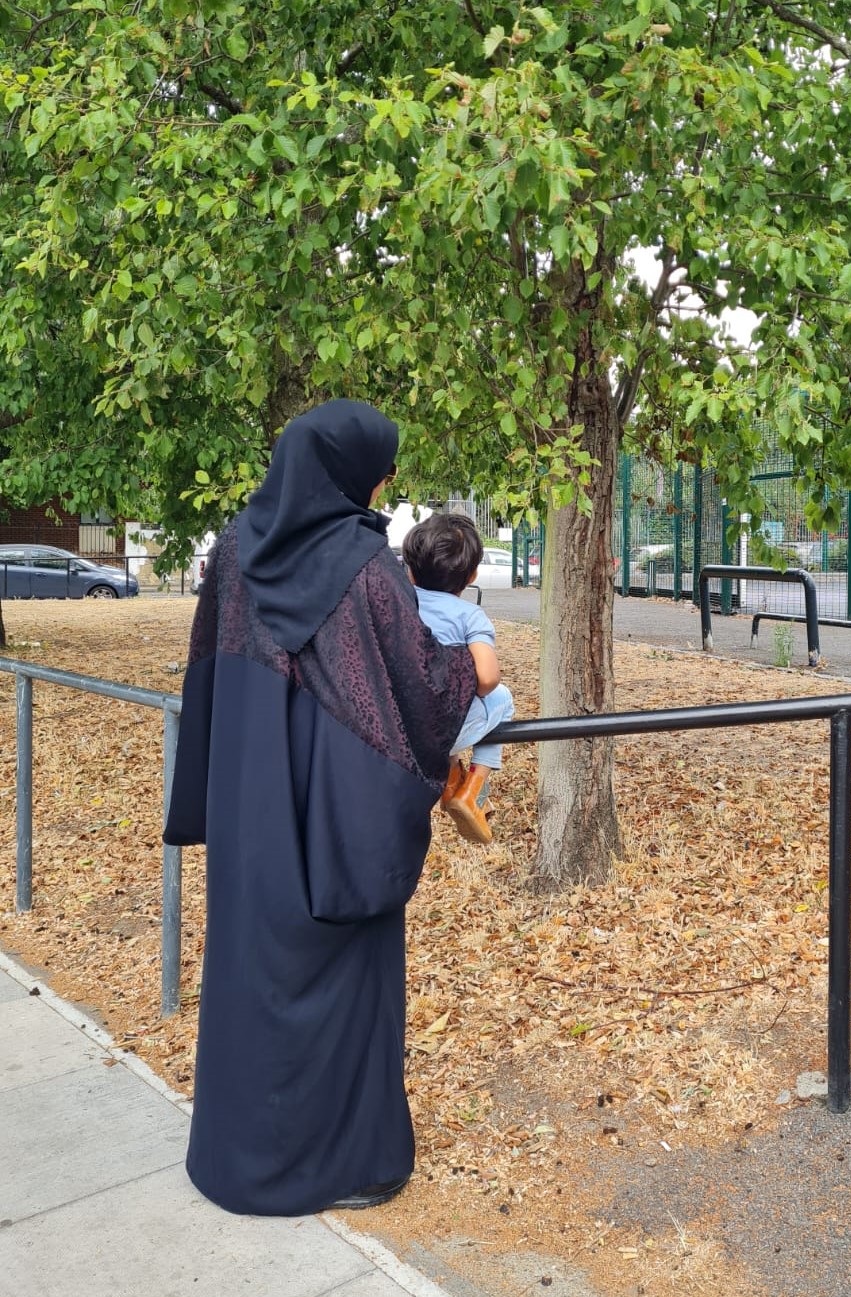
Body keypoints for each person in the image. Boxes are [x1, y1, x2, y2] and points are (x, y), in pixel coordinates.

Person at [163, 400, 477, 1217]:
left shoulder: (234, 549)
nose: (387, 482)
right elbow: (421, 686)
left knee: (248, 978)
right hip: (337, 819)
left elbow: (207, 672)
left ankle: (239, 1159)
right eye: (384, 466)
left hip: (250, 812)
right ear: (351, 469)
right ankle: (355, 1164)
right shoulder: (363, 565)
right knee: (350, 985)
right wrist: (473, 668)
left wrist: (206, 793)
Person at [401, 513, 515, 846]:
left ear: (409, 569)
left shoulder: (399, 605)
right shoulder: (469, 615)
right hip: (447, 729)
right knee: (502, 699)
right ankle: (475, 786)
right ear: (473, 575)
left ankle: (451, 779)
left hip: (401, 729)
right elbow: (487, 678)